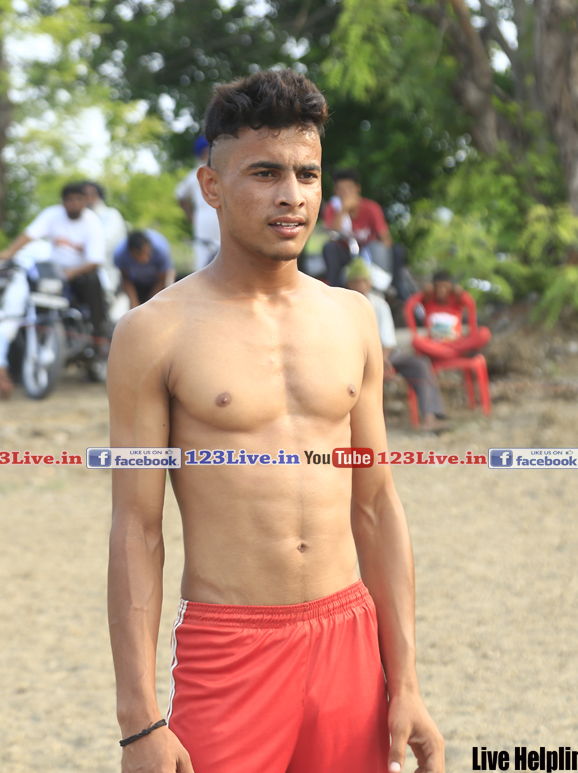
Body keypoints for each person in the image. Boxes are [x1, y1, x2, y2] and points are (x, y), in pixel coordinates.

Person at [107, 70, 443, 773]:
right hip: (230, 650)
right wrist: (139, 720)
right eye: (265, 173)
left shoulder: (352, 317)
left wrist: (407, 682)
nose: (292, 195)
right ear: (212, 186)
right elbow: (138, 528)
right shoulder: (154, 333)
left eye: (306, 174)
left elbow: (376, 505)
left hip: (349, 642)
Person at [0, 181, 109, 337]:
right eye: (70, 200)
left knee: (93, 284)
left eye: (78, 199)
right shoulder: (52, 215)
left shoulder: (92, 221)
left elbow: (95, 260)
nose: (74, 204)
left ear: (85, 201)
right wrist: (9, 253)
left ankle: (98, 334)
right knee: (29, 283)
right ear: (63, 202)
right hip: (54, 271)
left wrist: (72, 273)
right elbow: (30, 234)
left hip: (80, 273)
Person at [346, 259, 450, 432]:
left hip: (385, 355)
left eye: (364, 281)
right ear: (349, 284)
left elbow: (388, 339)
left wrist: (382, 358)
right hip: (356, 359)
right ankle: (365, 427)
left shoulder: (379, 304)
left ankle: (430, 418)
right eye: (356, 281)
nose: (361, 285)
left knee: (420, 364)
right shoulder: (343, 304)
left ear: (370, 283)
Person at [320, 168, 407, 290]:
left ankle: (395, 289)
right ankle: (335, 288)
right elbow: (332, 235)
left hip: (370, 254)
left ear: (358, 188)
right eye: (340, 189)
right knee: (329, 248)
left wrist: (380, 254)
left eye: (349, 188)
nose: (345, 192)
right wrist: (343, 210)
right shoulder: (332, 208)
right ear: (335, 192)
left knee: (397, 250)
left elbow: (385, 239)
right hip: (347, 254)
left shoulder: (371, 208)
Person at [404, 270, 491, 361]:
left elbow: (470, 303)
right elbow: (410, 305)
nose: (442, 290)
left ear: (451, 288)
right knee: (416, 342)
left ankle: (449, 352)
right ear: (433, 288)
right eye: (439, 287)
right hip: (436, 346)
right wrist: (423, 293)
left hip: (457, 343)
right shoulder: (429, 300)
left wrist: (462, 293)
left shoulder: (456, 300)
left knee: (484, 333)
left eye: (445, 287)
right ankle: (453, 353)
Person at [175, 136, 222, 270]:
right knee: (203, 258)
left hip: (223, 217)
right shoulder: (195, 174)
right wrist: (191, 216)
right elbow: (180, 194)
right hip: (204, 219)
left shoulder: (224, 171)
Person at [113, 229, 175, 307]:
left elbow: (162, 279)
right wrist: (134, 304)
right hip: (136, 283)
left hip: (157, 281)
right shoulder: (120, 254)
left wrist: (150, 304)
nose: (145, 259)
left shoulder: (161, 249)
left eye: (147, 254)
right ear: (130, 252)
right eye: (139, 255)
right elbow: (126, 279)